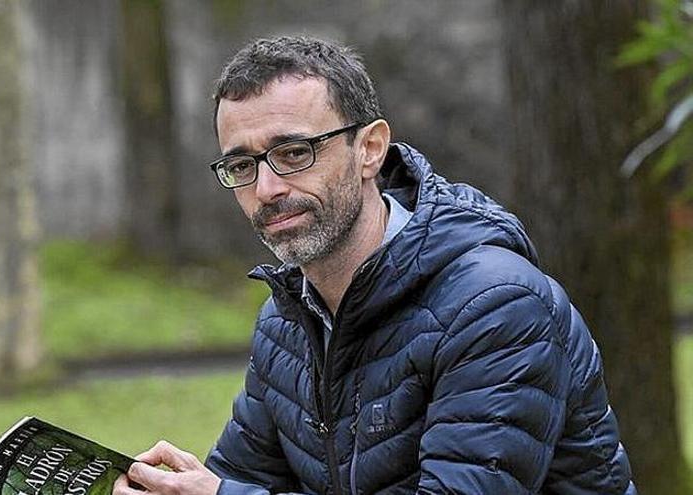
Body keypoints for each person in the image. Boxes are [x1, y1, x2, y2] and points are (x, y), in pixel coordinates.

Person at [113, 36, 635, 495]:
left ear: (370, 149)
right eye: (242, 165)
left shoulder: (495, 305)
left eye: (294, 152)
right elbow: (242, 480)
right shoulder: (286, 323)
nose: (266, 189)